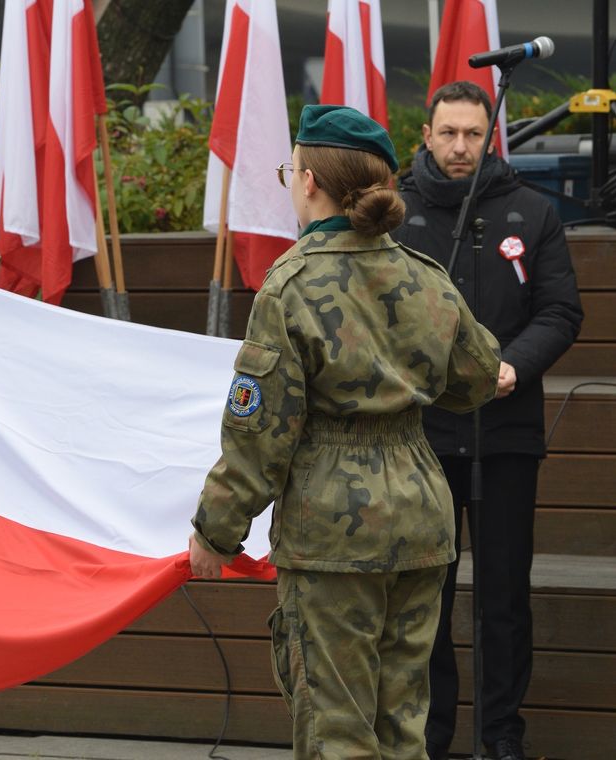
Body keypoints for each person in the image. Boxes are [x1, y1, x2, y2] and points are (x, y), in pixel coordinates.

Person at [189, 105, 502, 760]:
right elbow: (475, 379)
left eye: (290, 170)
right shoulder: (427, 277)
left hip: (332, 534)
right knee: (402, 727)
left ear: (309, 181)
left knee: (338, 730)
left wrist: (216, 529)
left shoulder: (293, 284)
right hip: (420, 520)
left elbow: (260, 432)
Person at [394, 81, 583, 760]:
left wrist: (511, 367)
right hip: (422, 440)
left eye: (473, 134)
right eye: (447, 134)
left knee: (504, 597)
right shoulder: (395, 211)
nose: (459, 148)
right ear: (426, 135)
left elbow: (561, 312)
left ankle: (501, 733)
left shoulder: (532, 214)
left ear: (490, 136)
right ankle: (433, 733)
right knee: (428, 597)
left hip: (505, 435)